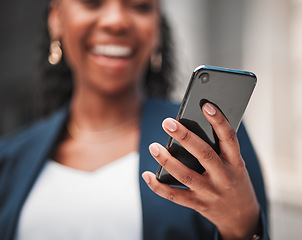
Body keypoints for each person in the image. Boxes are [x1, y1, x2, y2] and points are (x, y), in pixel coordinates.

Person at [0, 0, 269, 239]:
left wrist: (243, 227)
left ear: (156, 27)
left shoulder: (211, 140)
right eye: (93, 3)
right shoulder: (10, 159)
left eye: (140, 6)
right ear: (56, 17)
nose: (116, 21)